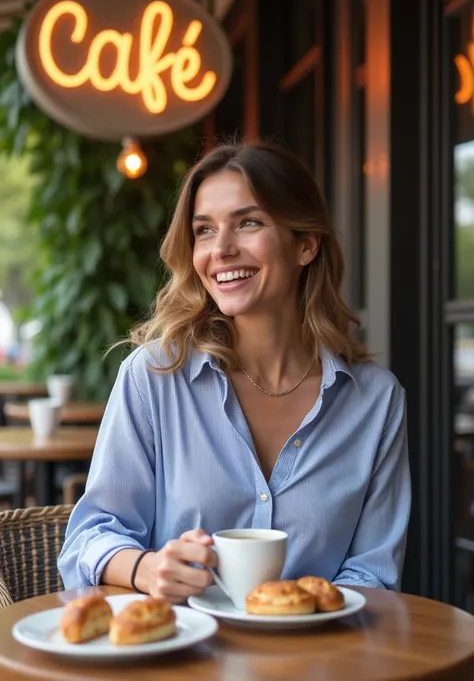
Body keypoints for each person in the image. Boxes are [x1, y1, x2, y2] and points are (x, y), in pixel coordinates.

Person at [58, 141, 411, 600]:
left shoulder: (376, 402)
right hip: (179, 659)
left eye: (248, 223)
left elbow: (374, 574)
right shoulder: (155, 377)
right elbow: (89, 536)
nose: (221, 249)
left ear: (305, 244)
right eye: (204, 230)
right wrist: (148, 568)